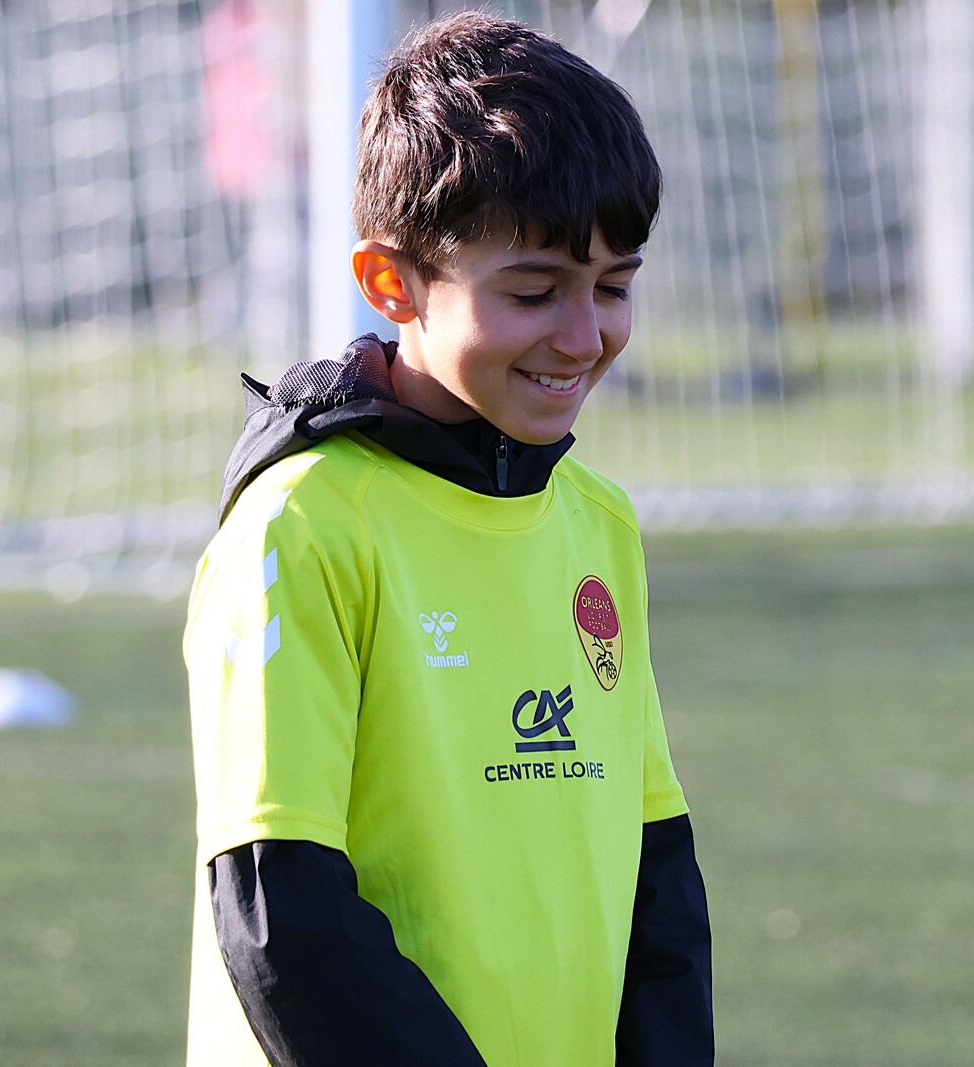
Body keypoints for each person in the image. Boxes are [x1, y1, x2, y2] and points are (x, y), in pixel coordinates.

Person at [183, 13, 713, 1065]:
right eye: (534, 291)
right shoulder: (304, 526)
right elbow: (280, 906)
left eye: (615, 286)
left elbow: (654, 868)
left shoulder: (598, 521)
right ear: (393, 283)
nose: (584, 335)